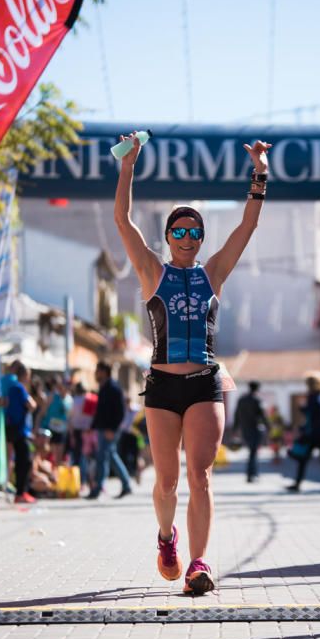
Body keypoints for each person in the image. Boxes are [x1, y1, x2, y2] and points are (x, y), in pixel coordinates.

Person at [114, 131, 272, 595]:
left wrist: (259, 175)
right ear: (167, 237)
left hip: (205, 382)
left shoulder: (214, 273)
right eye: (179, 231)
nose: (187, 237)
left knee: (200, 476)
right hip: (161, 388)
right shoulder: (150, 271)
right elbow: (122, 220)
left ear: (202, 238)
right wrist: (128, 168)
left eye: (195, 231)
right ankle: (167, 539)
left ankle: (199, 564)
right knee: (166, 481)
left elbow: (247, 227)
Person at [287, 371, 320, 494]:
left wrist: (302, 409)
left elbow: (312, 414)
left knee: (303, 457)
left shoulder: (313, 397)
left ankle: (298, 483)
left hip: (314, 432)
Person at [88, 361, 132, 500]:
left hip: (109, 430)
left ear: (104, 371)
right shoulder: (104, 387)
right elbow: (100, 411)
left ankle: (97, 488)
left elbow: (120, 412)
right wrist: (93, 426)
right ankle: (126, 485)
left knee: (103, 458)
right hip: (102, 429)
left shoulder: (113, 388)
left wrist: (112, 429)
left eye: (98, 370)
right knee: (110, 457)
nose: (96, 373)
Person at [5, 363, 37, 503]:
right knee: (24, 461)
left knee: (19, 460)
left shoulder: (11, 387)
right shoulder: (19, 388)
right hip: (20, 429)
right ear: (25, 375)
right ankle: (20, 493)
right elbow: (31, 404)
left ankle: (21, 492)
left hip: (14, 427)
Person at [233, 381, 269, 482]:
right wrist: (268, 426)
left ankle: (252, 474)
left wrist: (235, 429)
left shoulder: (241, 400)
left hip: (245, 429)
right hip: (255, 429)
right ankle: (251, 474)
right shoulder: (257, 400)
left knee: (252, 451)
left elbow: (237, 414)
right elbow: (263, 415)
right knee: (253, 452)